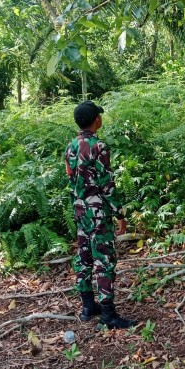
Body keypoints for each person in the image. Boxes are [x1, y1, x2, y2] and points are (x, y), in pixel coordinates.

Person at [65, 100, 136, 329]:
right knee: (105, 259)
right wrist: (119, 214)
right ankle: (108, 313)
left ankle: (88, 306)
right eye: (99, 115)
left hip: (80, 210)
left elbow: (70, 179)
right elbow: (106, 184)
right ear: (96, 119)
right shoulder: (99, 146)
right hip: (97, 211)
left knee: (84, 256)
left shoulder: (71, 147)